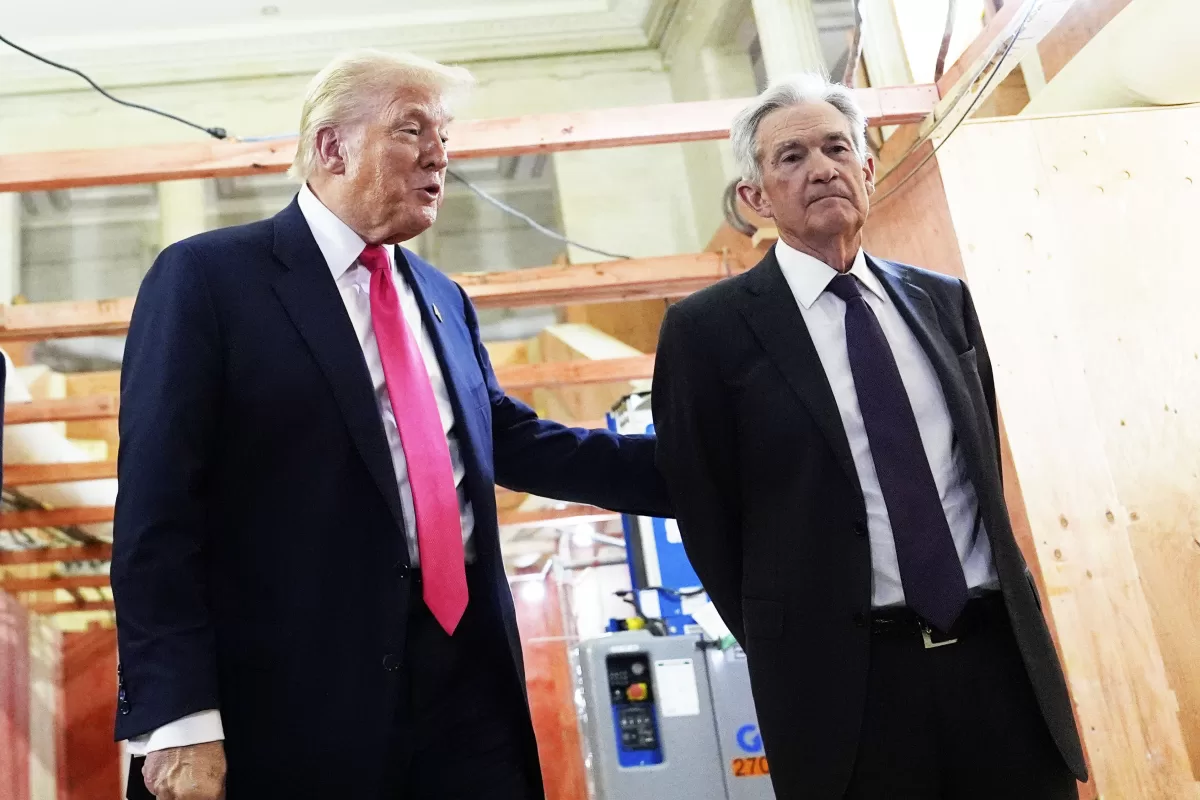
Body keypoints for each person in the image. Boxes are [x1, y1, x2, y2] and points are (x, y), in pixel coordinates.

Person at [112, 49, 671, 800]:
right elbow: (156, 513)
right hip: (294, 702)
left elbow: (506, 438)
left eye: (445, 135)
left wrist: (705, 470)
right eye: (412, 130)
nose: (440, 155)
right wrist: (178, 718)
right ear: (331, 147)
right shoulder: (210, 279)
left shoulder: (441, 297)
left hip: (469, 687)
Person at [652, 74, 1088, 800]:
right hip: (848, 688)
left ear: (868, 167)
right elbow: (707, 516)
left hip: (995, 663)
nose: (822, 169)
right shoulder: (706, 332)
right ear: (755, 198)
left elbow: (977, 466)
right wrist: (791, 638)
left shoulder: (942, 301)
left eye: (836, 148)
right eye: (791, 157)